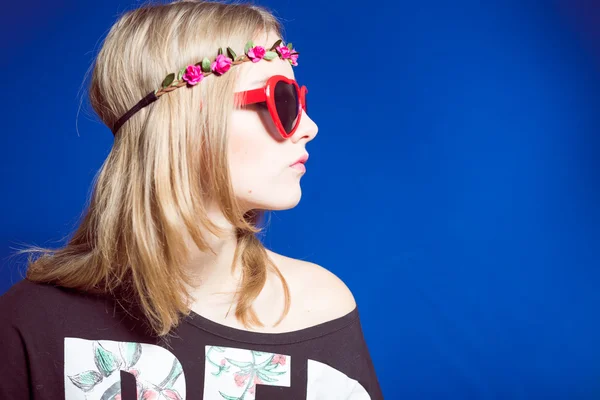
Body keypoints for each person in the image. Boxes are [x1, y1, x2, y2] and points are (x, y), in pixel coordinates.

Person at [0, 1, 383, 398]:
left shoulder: (320, 307)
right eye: (282, 100)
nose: (309, 127)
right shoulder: (32, 321)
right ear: (187, 122)